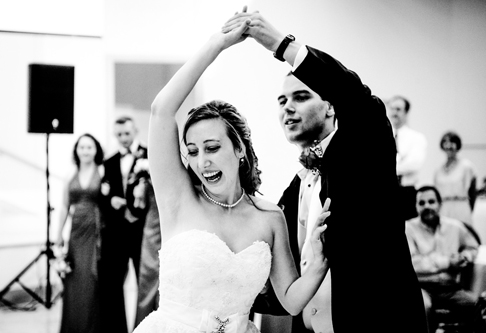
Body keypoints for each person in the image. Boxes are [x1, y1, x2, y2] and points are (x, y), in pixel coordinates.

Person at [223, 9, 428, 333]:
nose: (287, 107)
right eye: (281, 100)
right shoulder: (296, 185)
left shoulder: (364, 148)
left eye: (301, 97)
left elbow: (358, 99)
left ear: (332, 105)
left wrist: (280, 44)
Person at [133, 12, 331, 333]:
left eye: (212, 148)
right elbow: (161, 110)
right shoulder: (178, 198)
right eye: (193, 151)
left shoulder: (269, 217)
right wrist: (218, 44)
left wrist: (320, 260)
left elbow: (291, 301)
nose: (202, 162)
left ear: (239, 149)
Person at [406, 185, 479, 332]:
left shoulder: (455, 226)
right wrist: (448, 263)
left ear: (440, 204)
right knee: (422, 307)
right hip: (422, 288)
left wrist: (465, 257)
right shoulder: (408, 228)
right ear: (416, 206)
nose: (427, 206)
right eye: (421, 203)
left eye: (431, 201)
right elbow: (413, 263)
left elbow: (472, 246)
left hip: (450, 288)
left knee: (478, 304)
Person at [100, 116, 148, 333]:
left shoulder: (149, 156)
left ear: (135, 130)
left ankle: (145, 327)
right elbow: (102, 196)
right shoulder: (109, 162)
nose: (123, 138)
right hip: (117, 232)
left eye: (127, 133)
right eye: (119, 134)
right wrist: (111, 201)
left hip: (143, 230)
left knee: (144, 281)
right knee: (113, 285)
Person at [55, 133, 105, 333]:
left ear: (96, 150)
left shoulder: (102, 171)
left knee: (92, 280)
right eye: (82, 147)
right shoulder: (70, 174)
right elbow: (64, 206)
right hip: (76, 233)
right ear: (76, 150)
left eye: (89, 147)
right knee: (74, 280)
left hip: (96, 232)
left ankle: (92, 327)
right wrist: (58, 235)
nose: (85, 151)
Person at [126, 163, 162, 327]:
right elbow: (138, 206)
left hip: (176, 225)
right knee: (148, 276)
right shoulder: (146, 167)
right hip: (153, 227)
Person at [387, 95, 427, 220]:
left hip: (407, 193)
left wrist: (388, 167)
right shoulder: (381, 138)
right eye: (392, 109)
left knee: (407, 230)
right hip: (386, 191)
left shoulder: (416, 138)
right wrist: (401, 161)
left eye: (398, 109)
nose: (394, 113)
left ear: (406, 112)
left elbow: (415, 164)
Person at [434, 131, 477, 225]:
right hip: (444, 209)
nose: (448, 146)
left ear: (458, 145)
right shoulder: (438, 170)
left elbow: (472, 192)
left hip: (461, 207)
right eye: (445, 142)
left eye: (452, 142)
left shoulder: (466, 166)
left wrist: (469, 210)